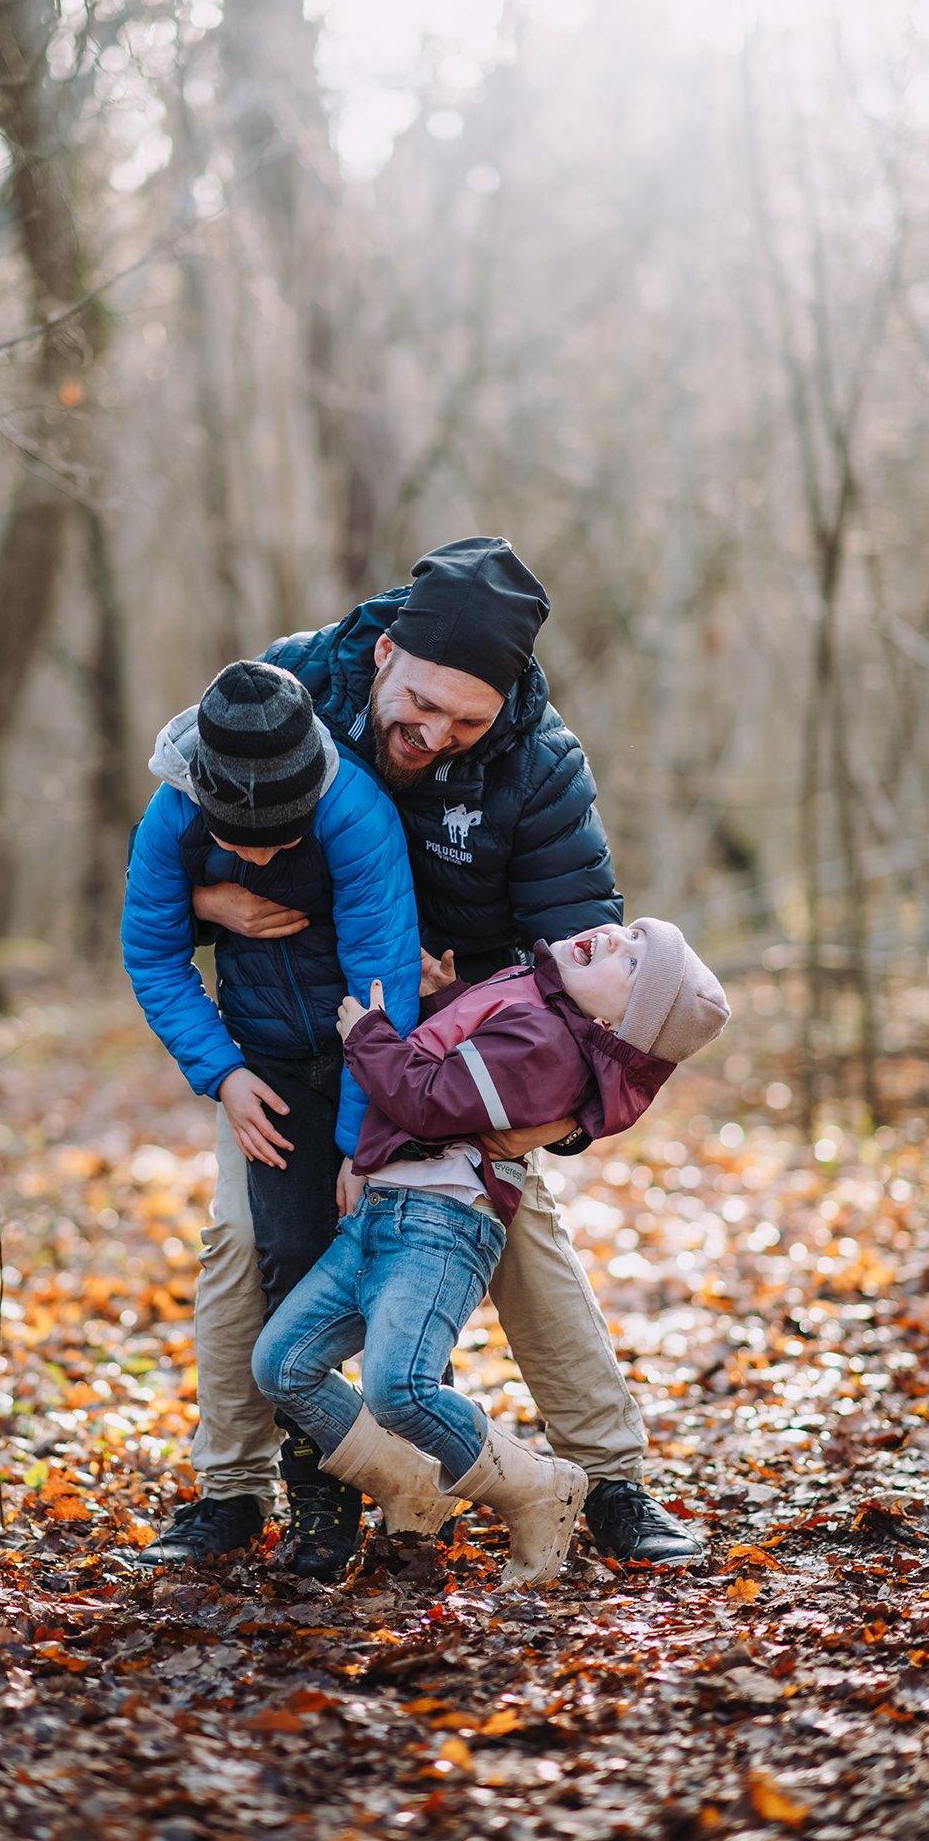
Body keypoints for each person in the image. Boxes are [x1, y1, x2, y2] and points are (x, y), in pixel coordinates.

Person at [140, 536, 707, 1571]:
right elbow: (174, 836)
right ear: (386, 650)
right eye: (422, 704)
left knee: (522, 1238)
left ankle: (611, 1480)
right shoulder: (293, 682)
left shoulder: (538, 770)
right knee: (238, 1240)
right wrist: (204, 902)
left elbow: (594, 974)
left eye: (467, 720)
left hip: (459, 1059)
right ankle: (229, 1489)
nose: (435, 734)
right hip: (291, 1034)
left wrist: (563, 1120)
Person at [252, 919, 729, 1588]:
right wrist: (453, 998)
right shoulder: (537, 998)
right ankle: (410, 1484)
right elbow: (478, 1061)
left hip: (441, 1224)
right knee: (282, 1365)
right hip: (383, 1211)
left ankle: (537, 1488)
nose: (618, 942)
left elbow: (428, 1101)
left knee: (399, 1390)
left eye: (631, 966)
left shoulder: (549, 1041)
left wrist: (366, 1034)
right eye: (630, 936)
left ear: (615, 1028)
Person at [121, 660, 420, 1575]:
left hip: (365, 1058)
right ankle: (315, 1498)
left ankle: (407, 1483)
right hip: (266, 1068)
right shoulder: (173, 808)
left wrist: (362, 1140)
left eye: (272, 842)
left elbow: (383, 987)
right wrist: (225, 1075)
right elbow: (154, 952)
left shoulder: (354, 814)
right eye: (235, 842)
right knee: (282, 1260)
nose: (252, 859)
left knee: (377, 1259)